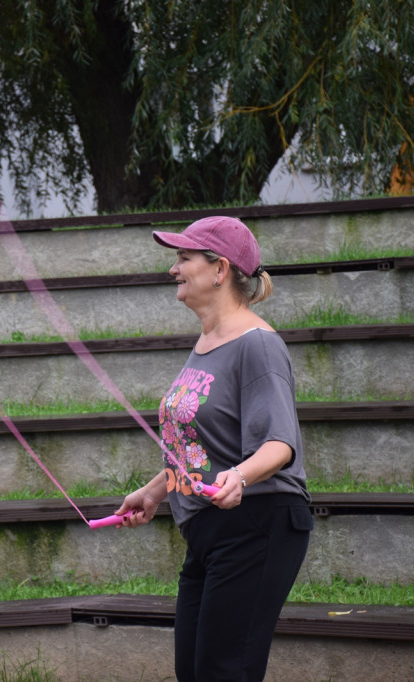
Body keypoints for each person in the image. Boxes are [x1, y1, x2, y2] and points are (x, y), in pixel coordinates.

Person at [113, 216, 313, 682]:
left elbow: (280, 443)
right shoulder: (207, 343)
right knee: (196, 672)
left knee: (223, 673)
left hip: (257, 522)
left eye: (183, 258)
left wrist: (241, 478)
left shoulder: (257, 345)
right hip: (210, 531)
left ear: (220, 269)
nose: (173, 269)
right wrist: (156, 490)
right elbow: (203, 448)